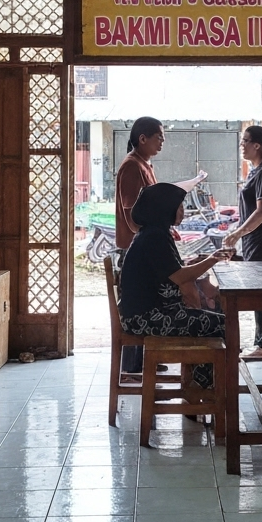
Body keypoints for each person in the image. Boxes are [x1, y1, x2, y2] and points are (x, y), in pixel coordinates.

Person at [117, 183, 229, 389]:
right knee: (223, 325)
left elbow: (171, 270)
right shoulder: (154, 238)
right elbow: (179, 277)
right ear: (162, 209)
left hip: (148, 312)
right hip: (145, 318)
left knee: (213, 320)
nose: (182, 211)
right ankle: (202, 389)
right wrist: (213, 259)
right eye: (178, 207)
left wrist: (199, 262)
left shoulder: (155, 233)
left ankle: (200, 386)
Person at [222, 125, 262, 359]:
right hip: (254, 240)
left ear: (257, 145)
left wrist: (237, 233)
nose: (242, 145)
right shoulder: (256, 171)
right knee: (259, 292)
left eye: (245, 141)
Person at [113, 116, 164, 379]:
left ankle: (148, 355)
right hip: (135, 248)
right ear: (142, 138)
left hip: (146, 246)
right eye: (159, 137)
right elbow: (132, 214)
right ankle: (132, 368)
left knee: (150, 300)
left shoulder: (145, 165)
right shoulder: (131, 166)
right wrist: (151, 232)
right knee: (136, 304)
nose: (162, 143)